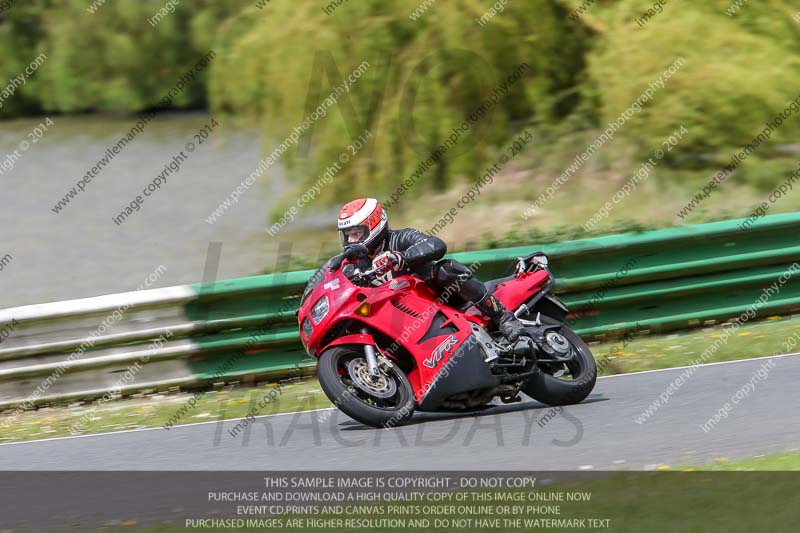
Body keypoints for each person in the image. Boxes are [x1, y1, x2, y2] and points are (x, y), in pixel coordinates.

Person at [332, 197, 524, 342]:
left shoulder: (401, 238)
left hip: (439, 298)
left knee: (446, 269)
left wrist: (402, 257)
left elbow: (436, 244)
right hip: (404, 319)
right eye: (347, 235)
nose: (351, 240)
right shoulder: (353, 265)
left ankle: (504, 318)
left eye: (356, 233)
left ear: (374, 226)